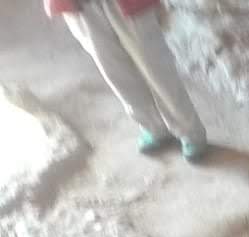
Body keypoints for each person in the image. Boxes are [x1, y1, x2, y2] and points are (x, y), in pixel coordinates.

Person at [42, 0, 209, 161]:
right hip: (80, 7)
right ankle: (152, 126)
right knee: (114, 71)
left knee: (155, 65)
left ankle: (189, 131)